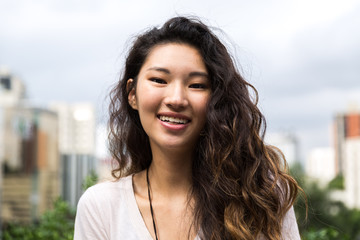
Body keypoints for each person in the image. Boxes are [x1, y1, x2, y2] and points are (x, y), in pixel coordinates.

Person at [74, 16, 302, 240]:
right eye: (159, 80)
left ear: (217, 100)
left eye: (197, 85)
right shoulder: (101, 207)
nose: (176, 99)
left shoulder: (262, 198)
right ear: (132, 94)